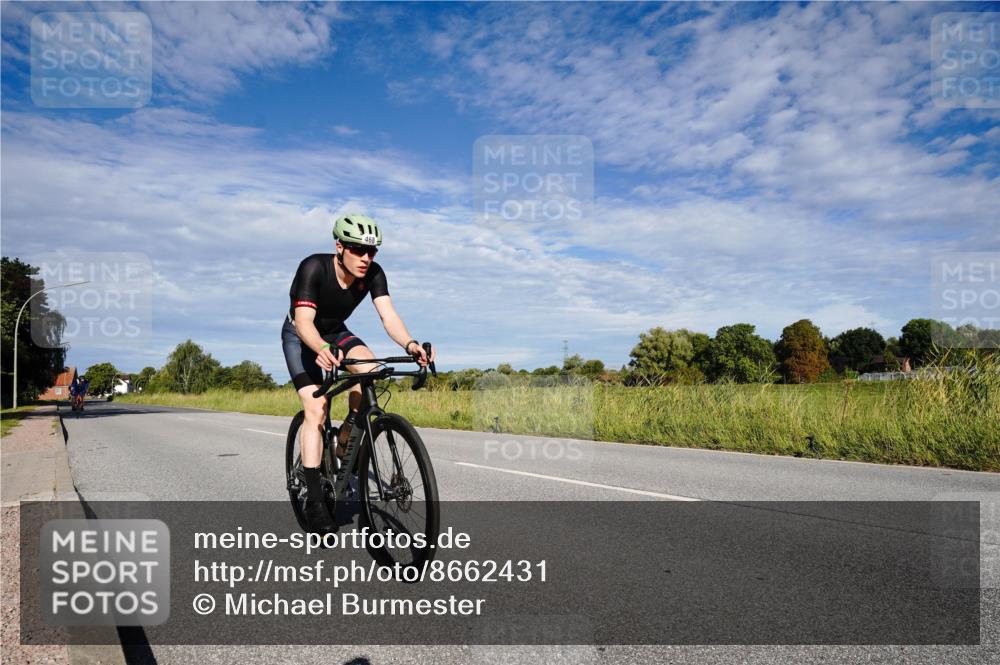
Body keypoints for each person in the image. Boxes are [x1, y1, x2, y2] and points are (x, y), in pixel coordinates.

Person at [281, 214, 435, 533]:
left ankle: (349, 432)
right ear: (340, 247)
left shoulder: (373, 274)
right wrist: (321, 349)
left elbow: (388, 316)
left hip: (337, 332)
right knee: (317, 409)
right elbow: (305, 322)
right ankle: (314, 498)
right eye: (358, 250)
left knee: (371, 370)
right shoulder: (314, 267)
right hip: (300, 335)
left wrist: (410, 343)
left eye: (372, 252)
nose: (366, 258)